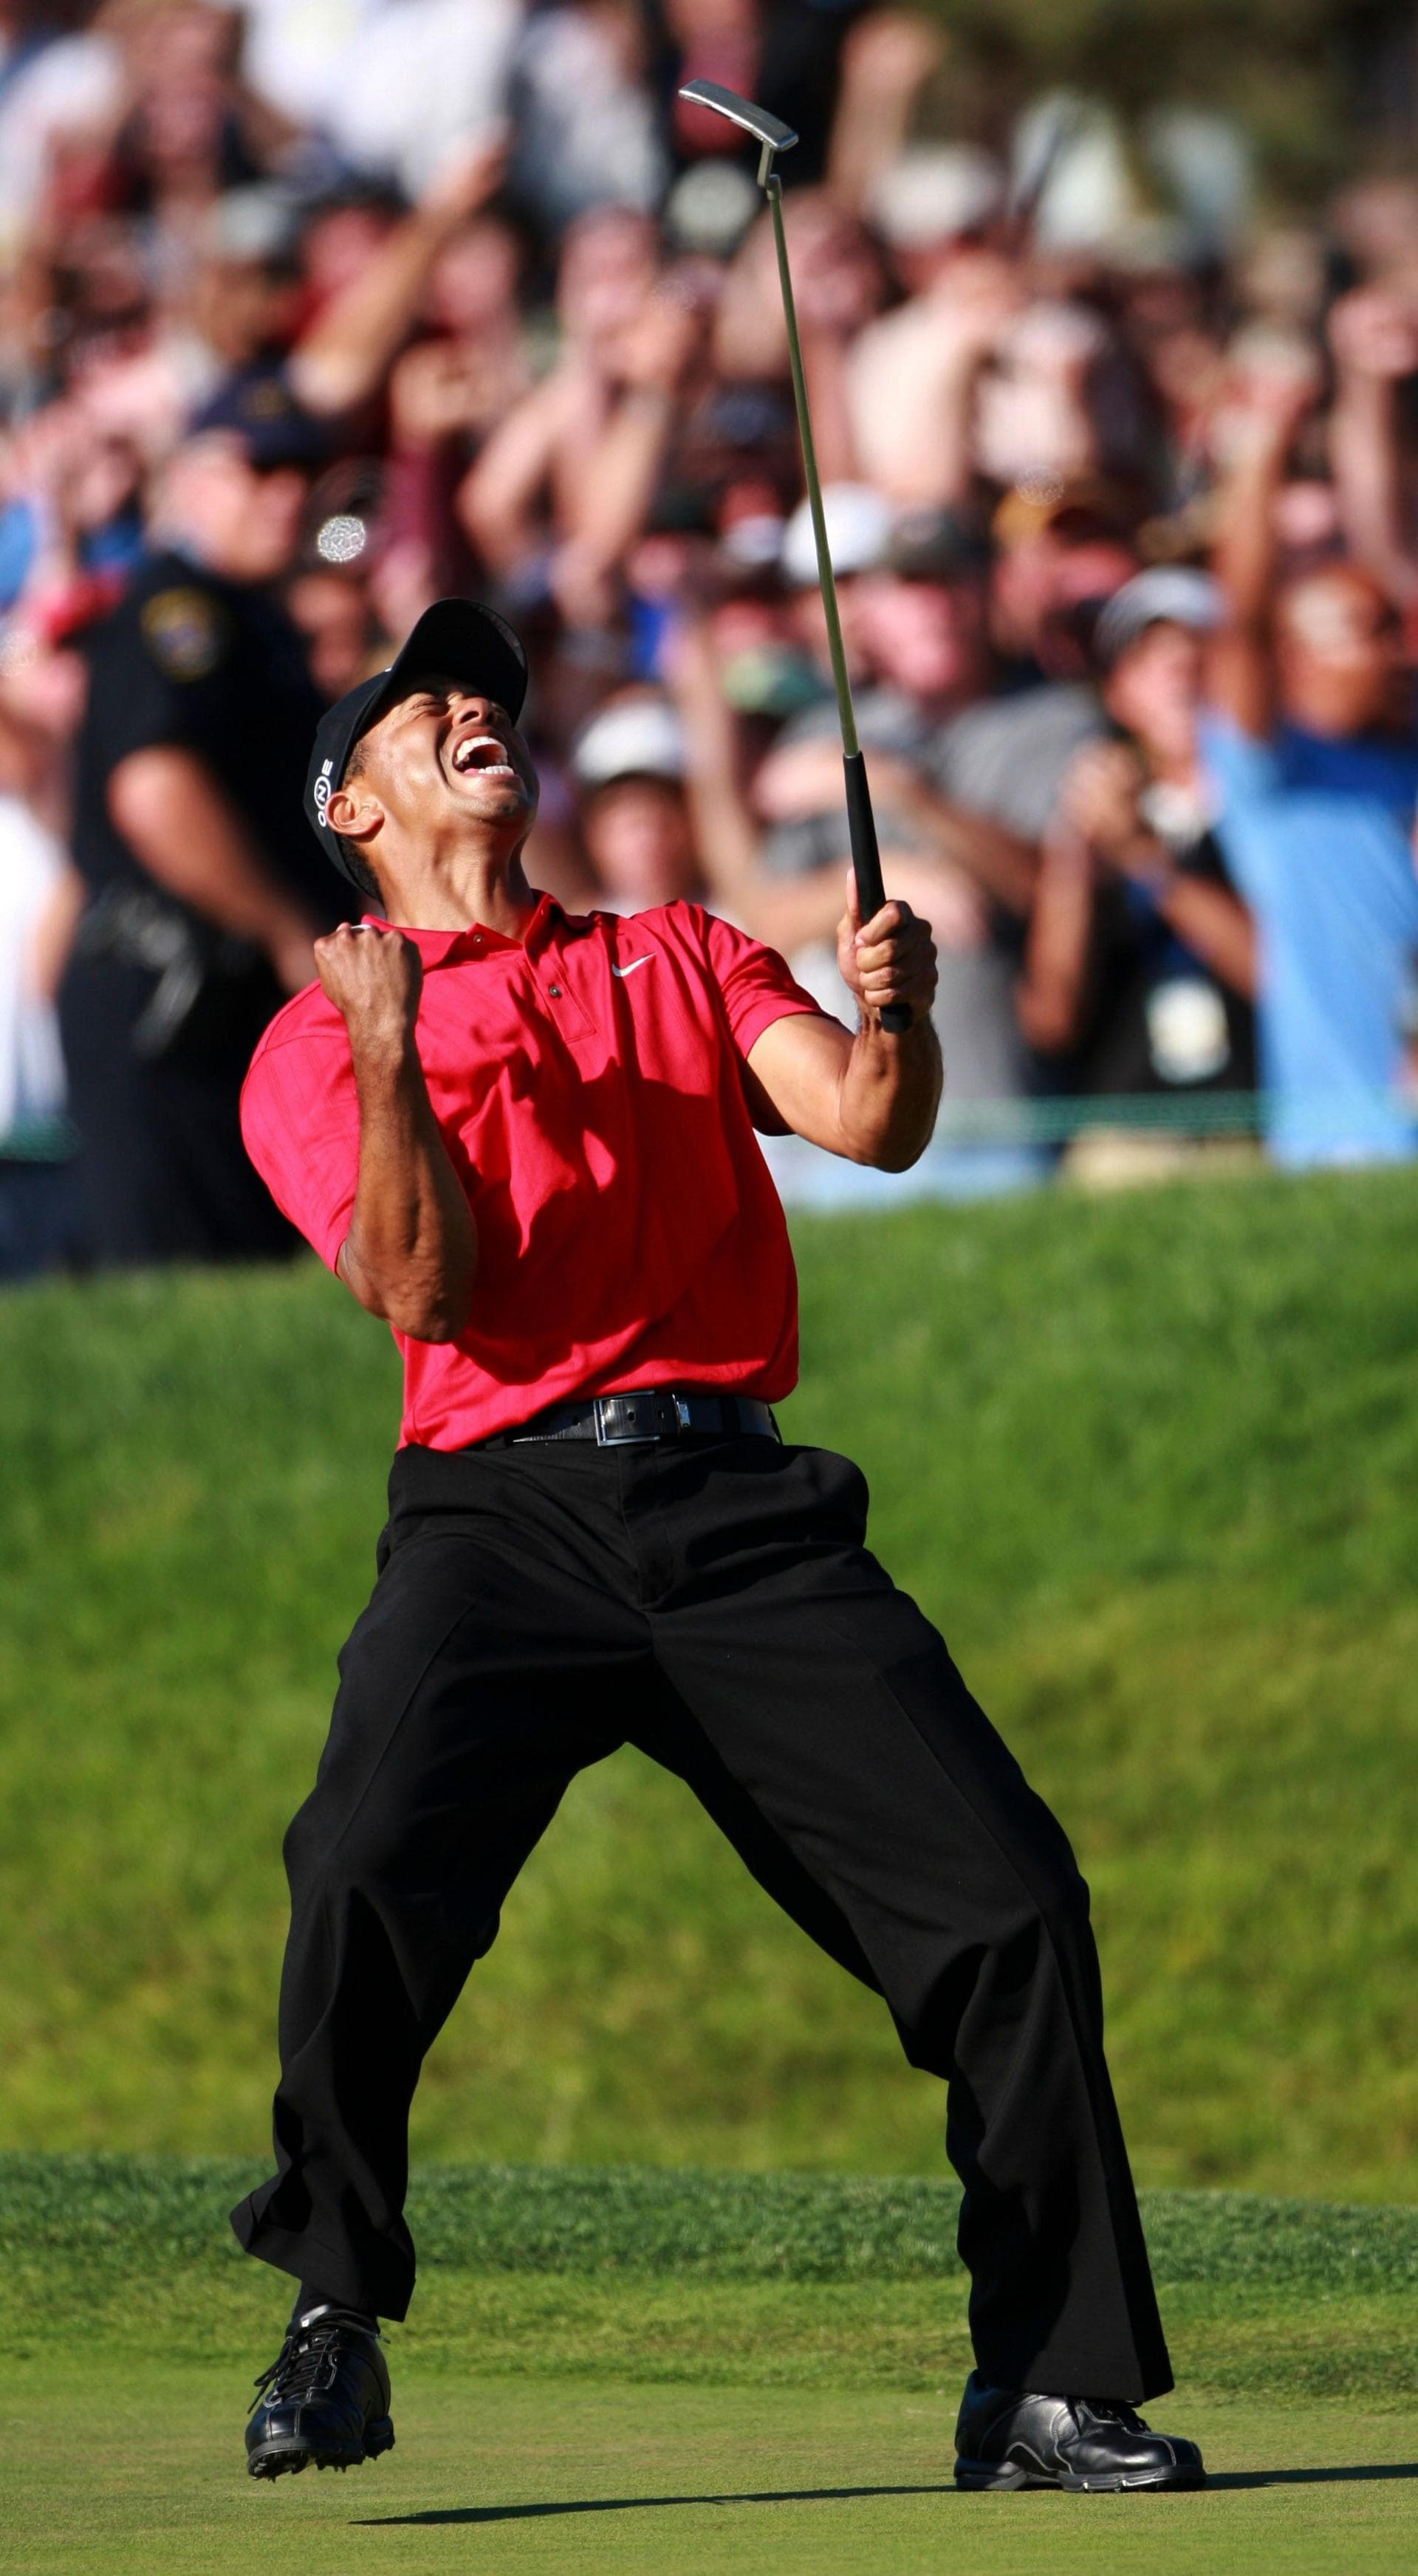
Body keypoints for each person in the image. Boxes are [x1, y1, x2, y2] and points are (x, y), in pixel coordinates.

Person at [231, 595, 1203, 2496]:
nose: (472, 716)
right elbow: (425, 1287)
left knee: (1008, 1898)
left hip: (735, 1502)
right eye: (425, 710)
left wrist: (898, 1010)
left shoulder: (675, 948)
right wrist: (391, 1055)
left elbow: (871, 1119)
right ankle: (331, 2309)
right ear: (349, 803)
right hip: (498, 1510)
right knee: (360, 1865)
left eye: (488, 699)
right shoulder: (311, 1042)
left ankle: (1047, 2381)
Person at [59, 394, 349, 1265]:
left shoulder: (257, 617)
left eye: (301, 473)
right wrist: (286, 928)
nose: (286, 496)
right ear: (191, 479)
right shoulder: (178, 612)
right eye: (258, 470)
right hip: (171, 998)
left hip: (221, 996)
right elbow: (156, 789)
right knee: (189, 1276)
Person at [1205, 358, 1418, 1165]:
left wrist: (1375, 393)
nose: (1399, 654)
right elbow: (1243, 623)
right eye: (1368, 633)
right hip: (1348, 1150)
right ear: (1298, 661)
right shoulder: (1272, 776)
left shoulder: (1402, 758)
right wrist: (1261, 454)